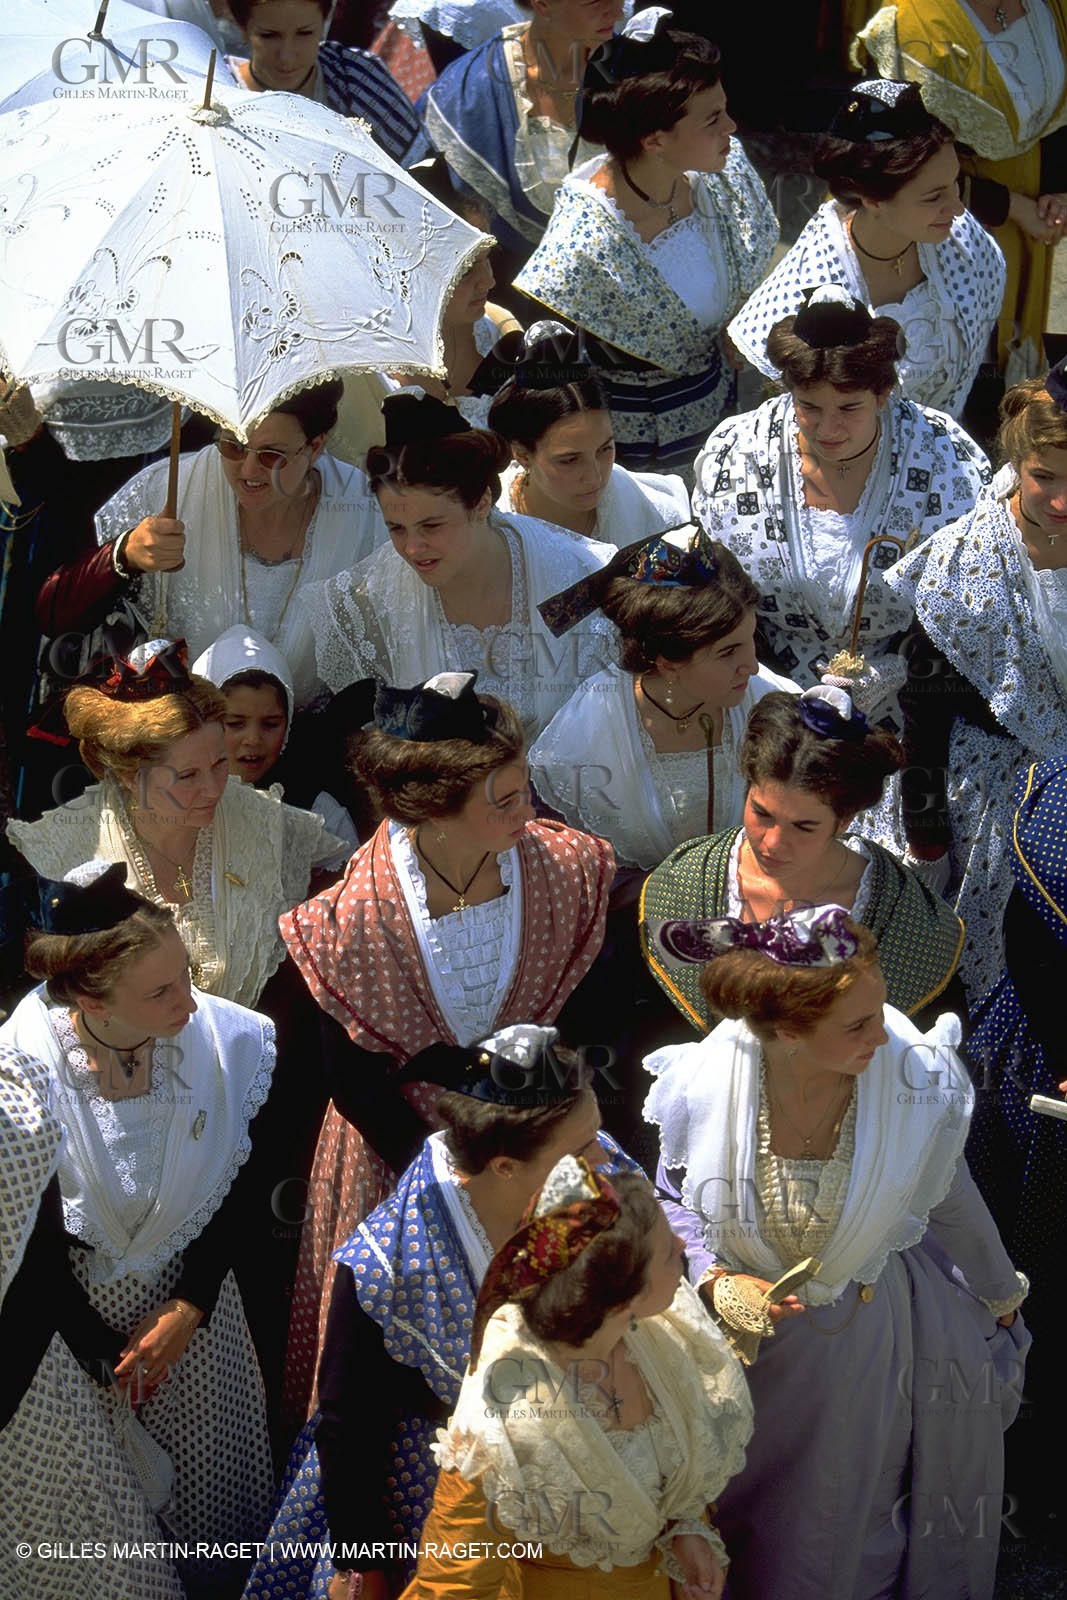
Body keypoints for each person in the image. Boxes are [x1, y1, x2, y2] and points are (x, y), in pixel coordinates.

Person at [644, 906, 1029, 1600]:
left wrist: (1001, 1296)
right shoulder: (709, 1086)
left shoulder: (908, 1082)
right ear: (785, 1032)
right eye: (856, 1026)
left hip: (869, 1343)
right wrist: (715, 1278)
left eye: (879, 1010)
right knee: (755, 1523)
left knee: (859, 1524)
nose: (881, 1036)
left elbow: (949, 1198)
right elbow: (673, 1199)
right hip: (755, 1355)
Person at [276, 672, 614, 1426]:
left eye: (524, 789)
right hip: (397, 1164)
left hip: (541, 1150)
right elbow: (352, 1083)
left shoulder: (562, 870)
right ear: (430, 813)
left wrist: (531, 1151)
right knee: (398, 1393)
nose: (527, 811)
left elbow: (587, 1020)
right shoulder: (350, 918)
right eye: (502, 800)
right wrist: (454, 1180)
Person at [244, 1024, 638, 1600]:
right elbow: (348, 1427)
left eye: (597, 1137)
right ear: (505, 1166)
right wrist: (365, 1561)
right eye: (582, 1149)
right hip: (441, 1510)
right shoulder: (389, 1265)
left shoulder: (596, 1186)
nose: (605, 1158)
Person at [0, 864, 276, 1595]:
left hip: (193, 1328)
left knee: (209, 1522)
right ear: (91, 998)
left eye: (184, 975)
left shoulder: (229, 1043)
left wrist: (189, 1305)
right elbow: (27, 1235)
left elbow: (239, 1190)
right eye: (160, 992)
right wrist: (105, 1354)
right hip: (74, 1337)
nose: (189, 1001)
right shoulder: (22, 1069)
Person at [398, 1153, 753, 1599]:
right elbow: (452, 1587)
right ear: (623, 1297)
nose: (683, 1249)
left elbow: (673, 1473)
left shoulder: (659, 1338)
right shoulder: (504, 1422)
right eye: (666, 1253)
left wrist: (687, 1530)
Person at [694, 286, 991, 727]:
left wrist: (896, 669)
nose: (827, 428)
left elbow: (971, 604)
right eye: (808, 406)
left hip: (903, 710)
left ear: (884, 393)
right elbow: (712, 588)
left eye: (849, 408)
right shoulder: (734, 453)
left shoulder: (946, 460)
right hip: (763, 698)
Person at [7, 641, 342, 1010]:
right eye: (187, 775)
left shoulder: (269, 825)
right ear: (129, 777)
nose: (214, 789)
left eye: (219, 764)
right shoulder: (62, 855)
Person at [515, 11, 777, 479]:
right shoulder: (583, 248)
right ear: (655, 139)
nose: (732, 128)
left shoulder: (723, 175)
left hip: (723, 410)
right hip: (638, 452)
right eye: (713, 119)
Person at [886, 363, 1067, 1008]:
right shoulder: (965, 565)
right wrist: (928, 835)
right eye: (1044, 477)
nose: (1062, 500)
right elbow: (924, 719)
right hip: (990, 804)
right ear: (1018, 463)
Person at [37, 380, 385, 710]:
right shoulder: (170, 490)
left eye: (270, 455)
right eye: (233, 445)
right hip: (183, 748)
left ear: (315, 446)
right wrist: (122, 556)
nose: (248, 469)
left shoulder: (363, 512)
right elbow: (52, 614)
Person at [296, 391, 619, 742]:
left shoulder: (576, 573)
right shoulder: (362, 606)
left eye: (432, 526)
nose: (412, 548)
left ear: (481, 504)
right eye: (396, 528)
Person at [640, 685, 964, 1032]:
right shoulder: (684, 885)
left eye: (804, 826)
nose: (774, 843)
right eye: (762, 814)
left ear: (844, 821)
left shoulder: (907, 920)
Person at [727, 81, 1006, 420]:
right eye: (934, 197)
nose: (958, 209)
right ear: (873, 199)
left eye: (956, 185)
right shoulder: (808, 291)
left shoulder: (963, 244)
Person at [530, 525, 799, 870]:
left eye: (751, 639)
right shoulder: (583, 740)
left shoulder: (772, 702)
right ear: (669, 663)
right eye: (728, 652)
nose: (750, 665)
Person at [965, 756, 1067, 1548]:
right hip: (1049, 1071)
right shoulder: (1061, 797)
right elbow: (1031, 942)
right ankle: (1027, 1470)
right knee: (1039, 1271)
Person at [856, 2, 1067, 380]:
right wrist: (1011, 207)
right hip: (938, 226)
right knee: (945, 368)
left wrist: (1059, 191)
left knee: (1006, 372)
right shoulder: (910, 24)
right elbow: (885, 164)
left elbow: (1057, 115)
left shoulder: (1054, 8)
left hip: (1028, 224)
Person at [420, 0, 626, 277]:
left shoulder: (635, 66)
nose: (617, 12)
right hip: (512, 293)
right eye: (595, 2)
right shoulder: (468, 95)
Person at [486, 321, 691, 538]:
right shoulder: (491, 524)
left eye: (605, 449)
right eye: (570, 460)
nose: (595, 477)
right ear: (523, 455)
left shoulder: (654, 517)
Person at [192, 624, 358, 857]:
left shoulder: (316, 812)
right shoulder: (179, 801)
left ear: (288, 723)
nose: (253, 739)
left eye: (270, 724)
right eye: (235, 724)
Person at [226, 0, 427, 164]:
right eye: (269, 36)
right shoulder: (220, 94)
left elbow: (420, 173)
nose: (287, 56)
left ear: (324, 23)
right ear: (242, 27)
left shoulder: (356, 77)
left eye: (304, 33)